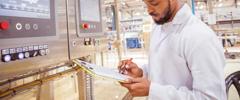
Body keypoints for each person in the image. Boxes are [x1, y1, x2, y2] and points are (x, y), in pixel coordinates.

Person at [118, 0, 227, 100]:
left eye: (154, 3)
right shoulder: (159, 27)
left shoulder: (199, 37)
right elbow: (163, 69)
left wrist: (153, 91)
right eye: (146, 4)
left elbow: (211, 98)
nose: (149, 10)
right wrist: (141, 73)